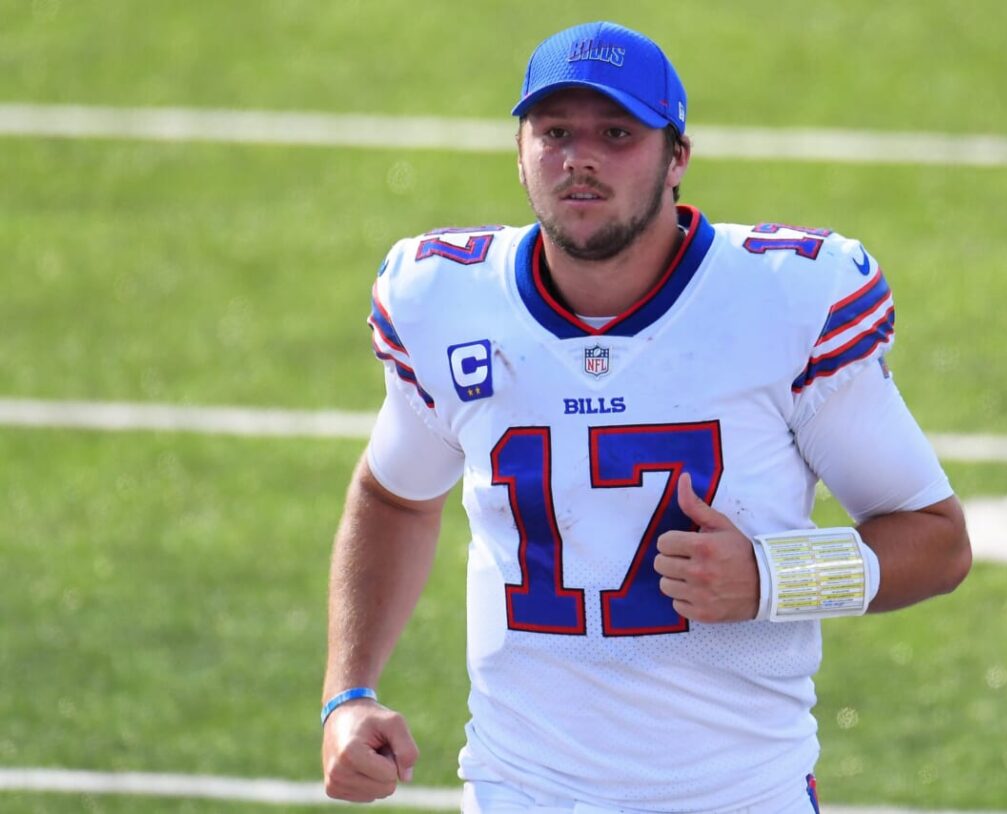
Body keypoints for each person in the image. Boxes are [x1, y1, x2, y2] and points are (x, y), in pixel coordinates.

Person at [320, 20, 971, 814]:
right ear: (519, 151)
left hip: (739, 795)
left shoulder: (784, 300)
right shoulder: (447, 301)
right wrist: (348, 693)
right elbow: (394, 497)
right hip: (520, 790)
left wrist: (772, 576)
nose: (580, 158)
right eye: (555, 132)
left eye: (617, 134)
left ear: (677, 158)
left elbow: (938, 542)